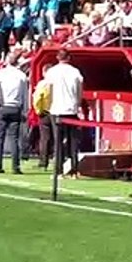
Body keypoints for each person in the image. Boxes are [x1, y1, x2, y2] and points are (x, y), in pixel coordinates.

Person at [42, 48, 85, 178]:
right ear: (69, 58)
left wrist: (47, 105)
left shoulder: (52, 72)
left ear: (57, 58)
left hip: (56, 109)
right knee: (73, 141)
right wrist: (78, 104)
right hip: (71, 108)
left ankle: (59, 171)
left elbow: (47, 89)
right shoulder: (75, 72)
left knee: (58, 141)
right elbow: (79, 89)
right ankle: (74, 171)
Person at [0, 52, 29, 175]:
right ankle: (15, 166)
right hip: (16, 107)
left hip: (3, 106)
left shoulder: (0, 73)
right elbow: (25, 95)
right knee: (14, 138)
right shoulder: (21, 76)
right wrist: (25, 110)